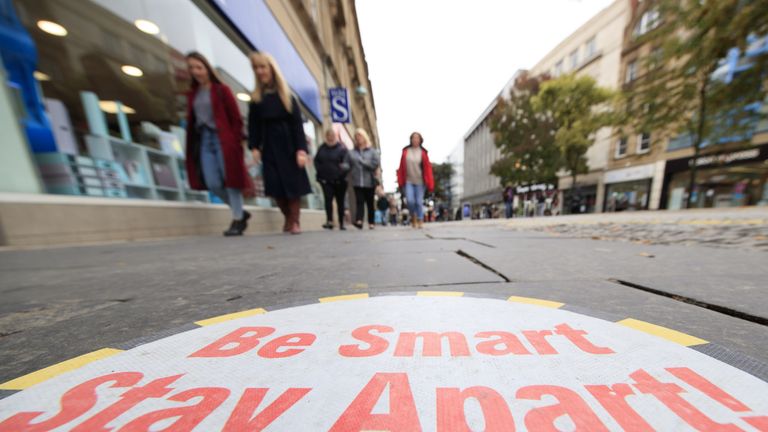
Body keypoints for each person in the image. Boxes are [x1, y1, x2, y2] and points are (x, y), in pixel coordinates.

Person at [184, 52, 251, 237]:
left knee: (231, 181)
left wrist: (238, 142)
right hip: (204, 141)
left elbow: (236, 119)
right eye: (191, 68)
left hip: (224, 139)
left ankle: (237, 219)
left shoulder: (222, 90)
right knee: (212, 182)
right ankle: (240, 212)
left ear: (207, 68)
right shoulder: (192, 95)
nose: (195, 71)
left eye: (199, 67)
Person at [247, 52, 311, 235]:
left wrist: (301, 150)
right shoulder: (256, 99)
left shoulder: (287, 96)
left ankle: (295, 221)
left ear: (271, 69)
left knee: (293, 186)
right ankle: (288, 217)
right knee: (275, 186)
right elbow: (253, 125)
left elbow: (297, 125)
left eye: (263, 67)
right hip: (269, 146)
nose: (260, 71)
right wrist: (254, 146)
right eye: (256, 68)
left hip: (289, 145)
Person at [396, 132, 434, 229]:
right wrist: (400, 181)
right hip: (408, 180)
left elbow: (428, 168)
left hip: (420, 181)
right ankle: (413, 216)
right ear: (411, 139)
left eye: (417, 138)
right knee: (410, 201)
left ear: (420, 140)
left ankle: (420, 219)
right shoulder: (405, 151)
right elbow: (401, 167)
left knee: (418, 201)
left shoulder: (423, 152)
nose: (415, 140)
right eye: (414, 138)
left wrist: (430, 183)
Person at [314, 128, 350, 230]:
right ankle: (329, 221)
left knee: (340, 201)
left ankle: (341, 222)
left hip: (340, 180)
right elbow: (317, 161)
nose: (330, 138)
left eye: (332, 136)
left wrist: (341, 172)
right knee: (328, 200)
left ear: (335, 136)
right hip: (326, 179)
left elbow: (347, 163)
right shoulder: (322, 148)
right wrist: (320, 172)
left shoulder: (341, 148)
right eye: (328, 136)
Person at [348, 128, 380, 230]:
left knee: (370, 202)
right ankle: (359, 220)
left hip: (369, 180)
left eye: (360, 136)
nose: (358, 139)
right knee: (359, 201)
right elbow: (348, 163)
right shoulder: (353, 152)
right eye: (356, 137)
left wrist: (363, 162)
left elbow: (375, 164)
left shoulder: (372, 151)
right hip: (357, 180)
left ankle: (371, 222)